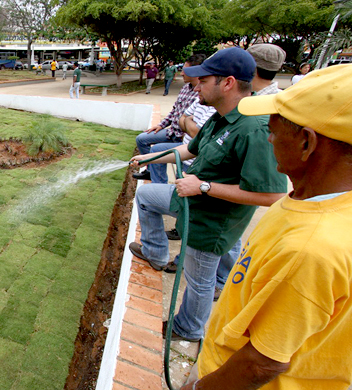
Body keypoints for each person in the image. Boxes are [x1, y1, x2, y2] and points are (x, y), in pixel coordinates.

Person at [183, 64, 352, 390]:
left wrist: (200, 387)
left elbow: (262, 363)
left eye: (273, 131)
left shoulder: (310, 248)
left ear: (307, 142)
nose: (268, 138)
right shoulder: (309, 202)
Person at [128, 47, 288, 342]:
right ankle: (156, 253)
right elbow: (190, 149)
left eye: (203, 81)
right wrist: (149, 159)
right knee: (146, 198)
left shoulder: (254, 128)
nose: (195, 86)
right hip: (192, 204)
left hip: (212, 223)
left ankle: (189, 328)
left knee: (199, 281)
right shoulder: (221, 116)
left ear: (227, 83)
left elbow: (273, 196)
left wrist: (203, 186)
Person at [133, 54, 206, 182]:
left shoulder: (203, 94)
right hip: (172, 131)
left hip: (183, 138)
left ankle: (158, 184)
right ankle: (150, 170)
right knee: (142, 139)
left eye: (185, 70)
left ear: (196, 71)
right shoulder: (185, 88)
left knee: (157, 150)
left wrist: (185, 123)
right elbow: (175, 111)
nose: (181, 73)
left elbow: (193, 126)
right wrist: (161, 125)